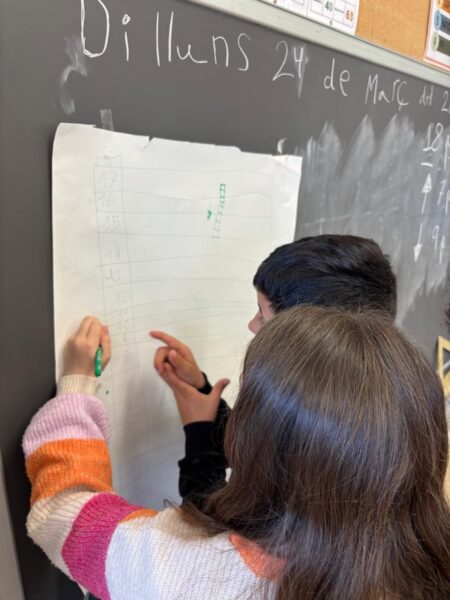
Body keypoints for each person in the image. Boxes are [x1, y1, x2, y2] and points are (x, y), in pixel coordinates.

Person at [24, 310, 450, 599]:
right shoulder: (430, 569)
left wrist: (77, 384)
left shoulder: (179, 566)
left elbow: (62, 512)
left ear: (255, 442)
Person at [151, 234, 398, 506]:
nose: (252, 325)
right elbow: (259, 446)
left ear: (307, 337)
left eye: (263, 316)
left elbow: (208, 528)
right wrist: (202, 390)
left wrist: (199, 435)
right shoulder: (365, 404)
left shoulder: (320, 462)